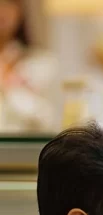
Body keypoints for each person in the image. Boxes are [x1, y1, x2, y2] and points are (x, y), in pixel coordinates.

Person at [0, 0, 58, 131]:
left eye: (9, 5)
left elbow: (46, 117)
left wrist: (9, 87)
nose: (2, 11)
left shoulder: (40, 62)